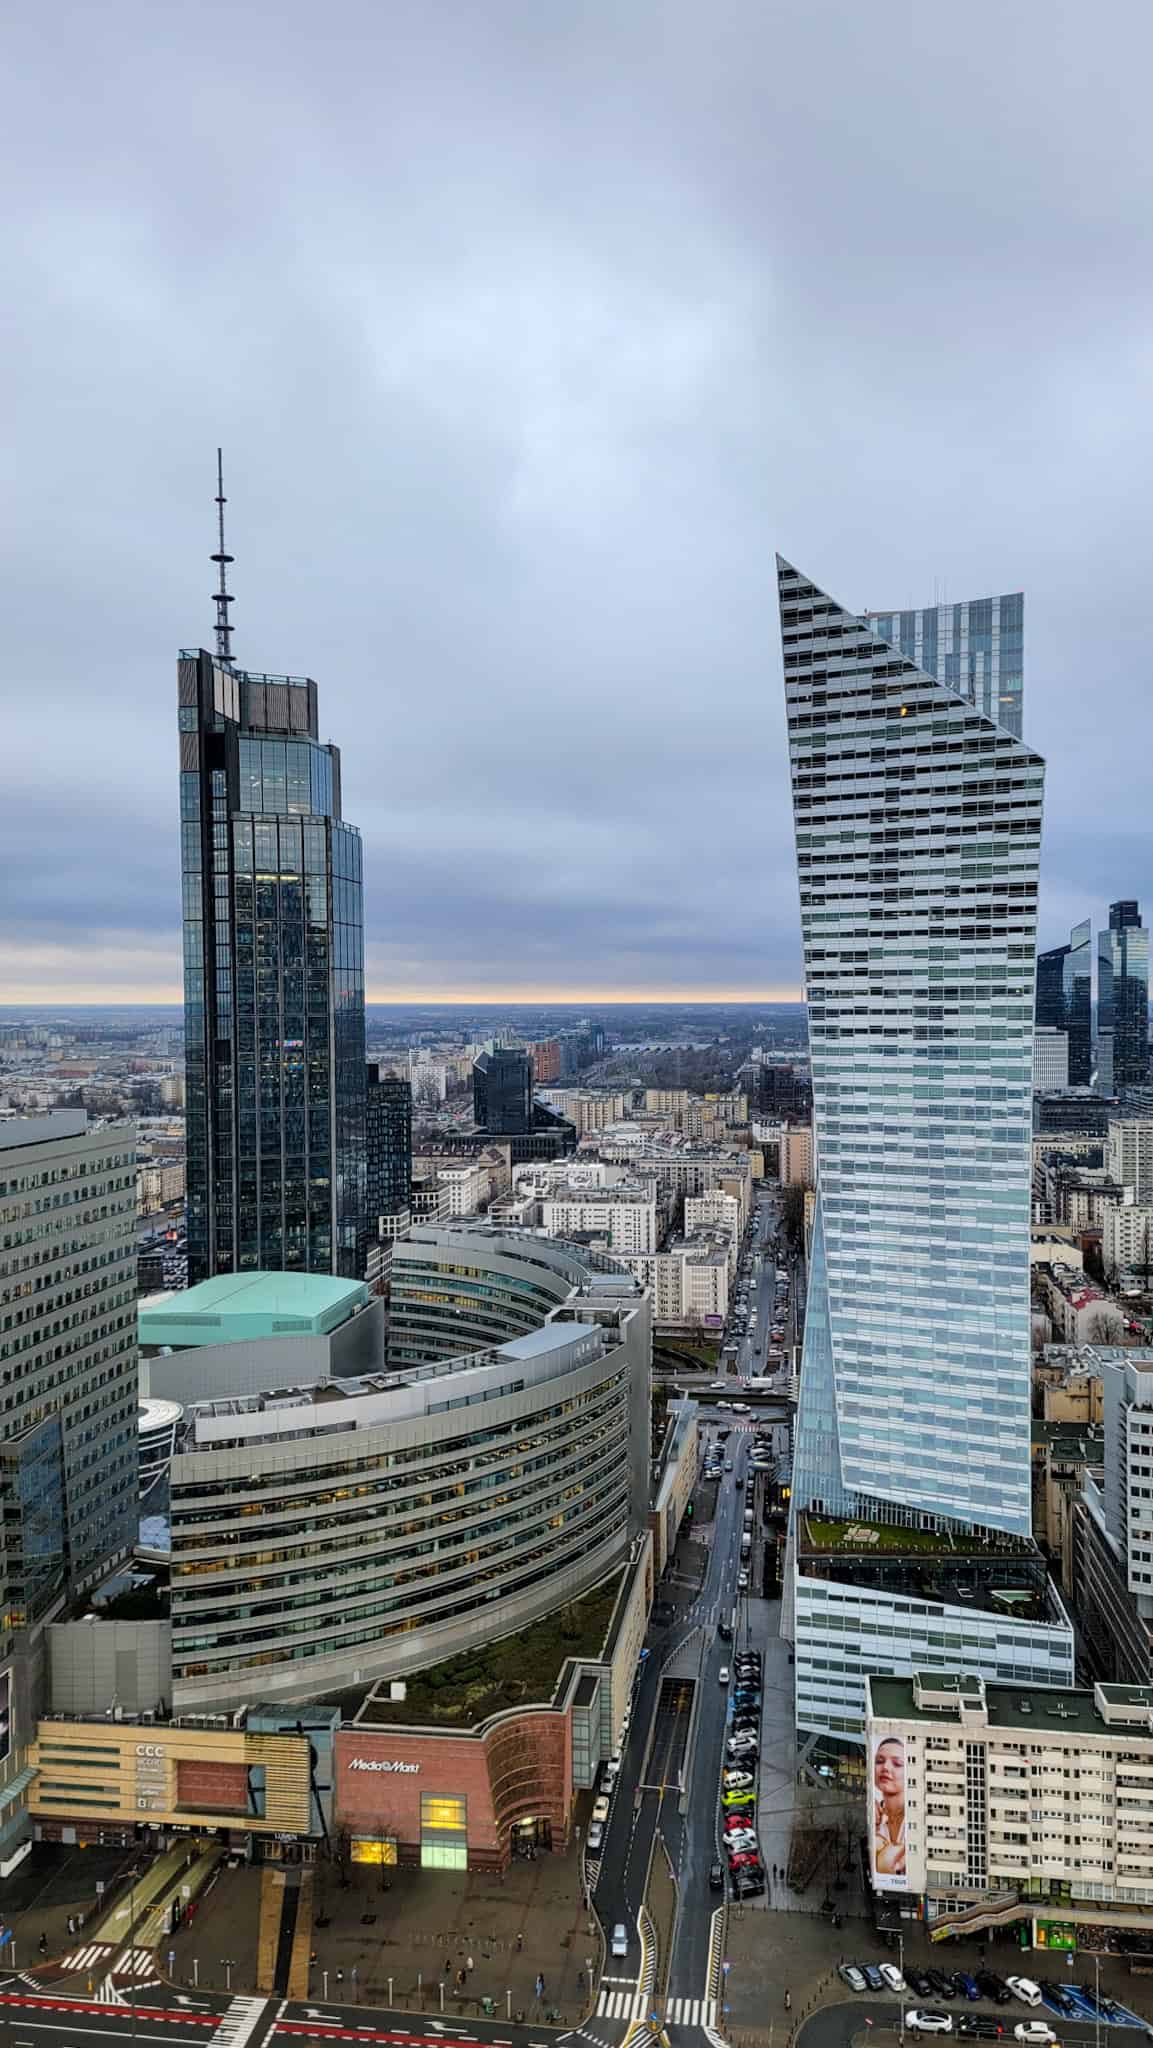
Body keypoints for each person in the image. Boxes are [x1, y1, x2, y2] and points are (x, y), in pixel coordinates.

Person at [872, 1736, 907, 1878]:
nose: (885, 1767)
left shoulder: (916, 1819)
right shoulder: (875, 1817)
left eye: (897, 1763)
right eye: (879, 1761)